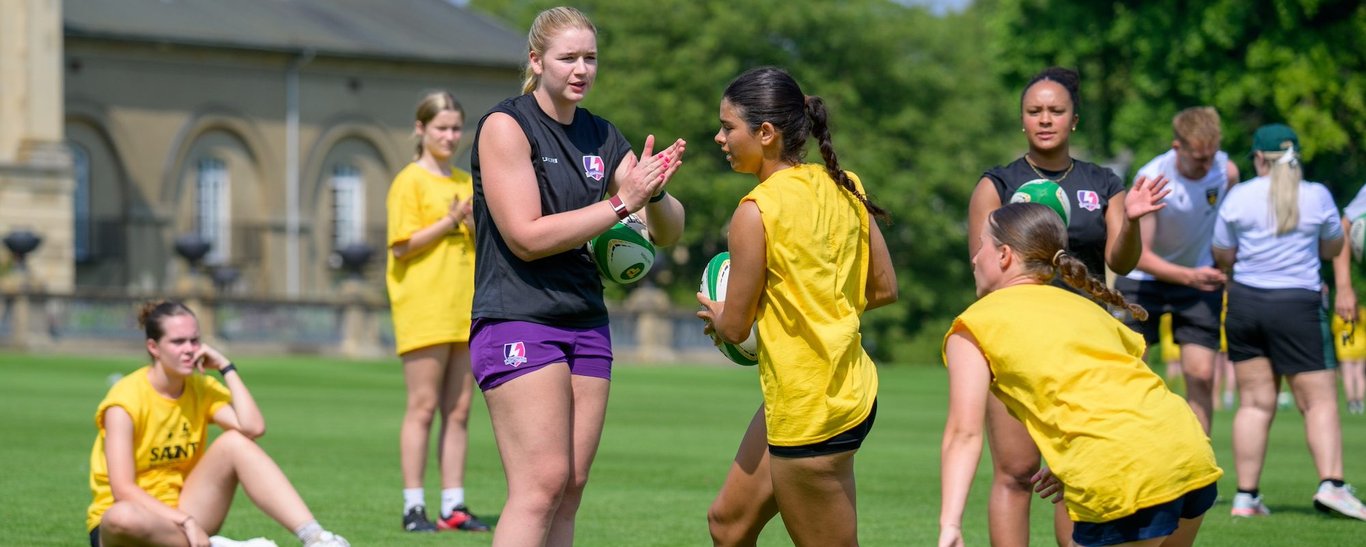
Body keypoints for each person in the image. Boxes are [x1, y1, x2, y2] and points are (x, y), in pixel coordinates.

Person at [467, 6, 686, 546]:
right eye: (568, 58)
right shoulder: (506, 126)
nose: (581, 69)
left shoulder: (602, 134)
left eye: (590, 58)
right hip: (517, 317)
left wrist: (652, 191)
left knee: (570, 488)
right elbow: (525, 235)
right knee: (540, 485)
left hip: (585, 321)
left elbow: (669, 231)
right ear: (537, 61)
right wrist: (620, 203)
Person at [965, 66, 1169, 547]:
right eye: (1034, 111)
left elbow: (1123, 258)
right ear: (1022, 120)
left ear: (1074, 119)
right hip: (1015, 344)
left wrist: (1134, 221)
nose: (1045, 119)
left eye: (1056, 111)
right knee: (1016, 473)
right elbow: (983, 273)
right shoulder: (997, 183)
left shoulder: (1104, 182)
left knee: (1076, 473)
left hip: (1083, 348)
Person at [695, 66, 898, 547]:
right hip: (826, 392)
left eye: (728, 127)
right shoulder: (845, 183)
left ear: (765, 133)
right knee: (729, 525)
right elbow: (885, 288)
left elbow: (736, 324)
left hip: (812, 412)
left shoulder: (754, 211)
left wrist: (717, 313)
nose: (719, 137)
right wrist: (817, 309)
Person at [941, 202, 1222, 547]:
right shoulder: (1084, 307)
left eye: (980, 245)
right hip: (1187, 451)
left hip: (1126, 470)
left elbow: (964, 434)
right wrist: (1078, 451)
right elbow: (1125, 372)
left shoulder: (973, 325)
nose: (973, 257)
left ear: (1003, 255)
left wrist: (950, 524)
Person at [86, 302, 348, 547]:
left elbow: (252, 428)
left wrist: (226, 367)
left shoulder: (200, 388)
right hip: (133, 525)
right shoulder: (124, 401)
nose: (190, 349)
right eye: (178, 342)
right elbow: (123, 490)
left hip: (187, 512)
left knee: (235, 442)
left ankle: (317, 537)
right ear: (154, 347)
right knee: (122, 517)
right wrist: (186, 521)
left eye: (194, 340)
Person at [1213, 123, 1366, 520]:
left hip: (1245, 303)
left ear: (1259, 159)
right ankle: (1331, 484)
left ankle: (1246, 497)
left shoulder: (1240, 196)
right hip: (1298, 304)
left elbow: (1223, 254)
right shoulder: (1316, 195)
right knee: (1318, 401)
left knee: (1254, 403)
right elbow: (1334, 245)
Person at [384, 90, 490, 533]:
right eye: (440, 127)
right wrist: (450, 222)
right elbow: (402, 245)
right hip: (424, 305)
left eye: (454, 128)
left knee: (460, 409)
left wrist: (469, 222)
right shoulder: (409, 181)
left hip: (464, 306)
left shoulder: (466, 182)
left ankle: (453, 504)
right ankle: (413, 505)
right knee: (423, 406)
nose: (449, 136)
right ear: (421, 129)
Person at [1115, 106, 1239, 434]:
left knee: (1201, 374)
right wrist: (1190, 276)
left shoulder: (1226, 172)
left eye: (1211, 155)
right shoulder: (1153, 180)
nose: (1207, 164)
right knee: (1129, 371)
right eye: (1199, 158)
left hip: (1197, 279)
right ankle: (1132, 453)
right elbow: (1140, 256)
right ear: (1177, 148)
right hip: (1144, 281)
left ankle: (1199, 468)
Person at [1331, 307, 1366, 415]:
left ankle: (1351, 402)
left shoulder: (1340, 315)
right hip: (1361, 348)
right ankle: (1359, 401)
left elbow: (1334, 329)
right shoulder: (1362, 313)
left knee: (1348, 376)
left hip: (1345, 348)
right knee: (1360, 375)